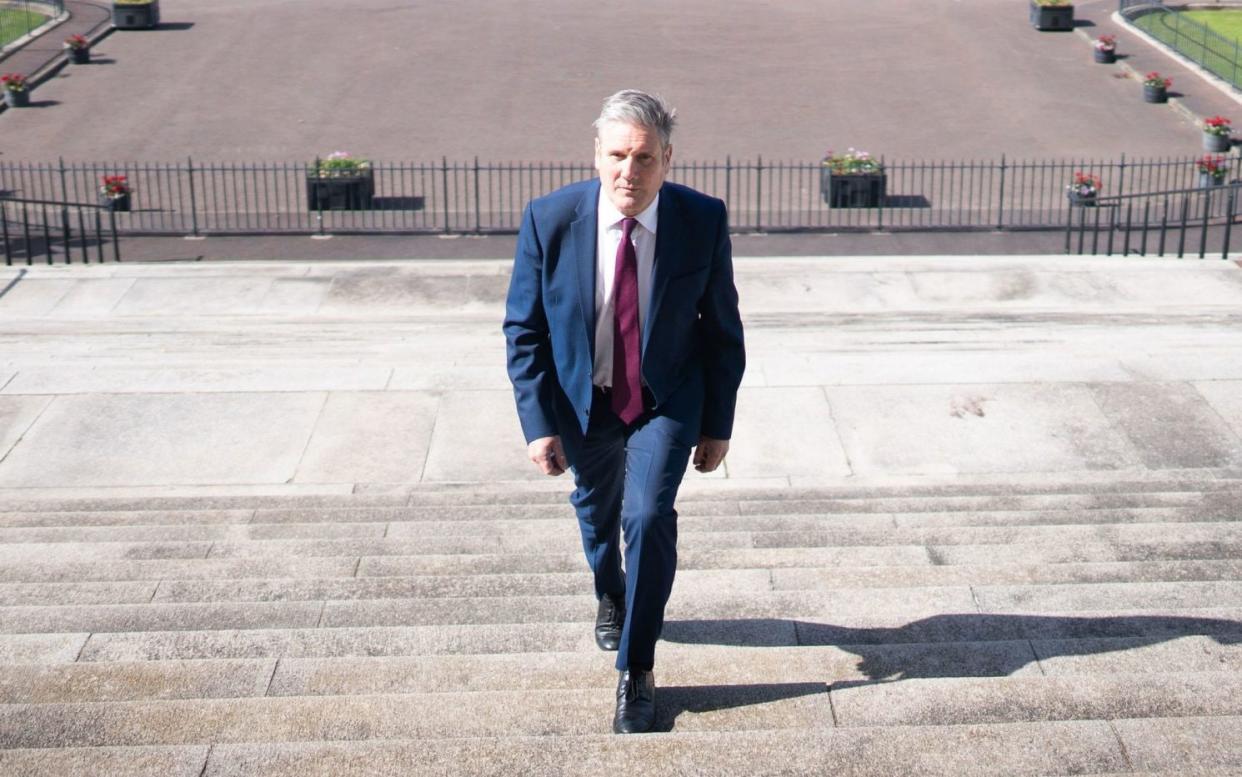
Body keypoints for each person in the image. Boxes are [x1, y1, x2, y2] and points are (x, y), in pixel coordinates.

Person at [503, 89, 745, 734]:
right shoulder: (550, 219)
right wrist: (539, 425)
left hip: (665, 400)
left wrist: (717, 424)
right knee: (597, 512)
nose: (628, 173)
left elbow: (723, 330)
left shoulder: (702, 218)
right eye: (616, 156)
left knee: (646, 512)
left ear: (668, 158)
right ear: (596, 155)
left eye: (643, 158)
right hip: (584, 403)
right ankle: (609, 587)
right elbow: (523, 331)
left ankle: (637, 669)